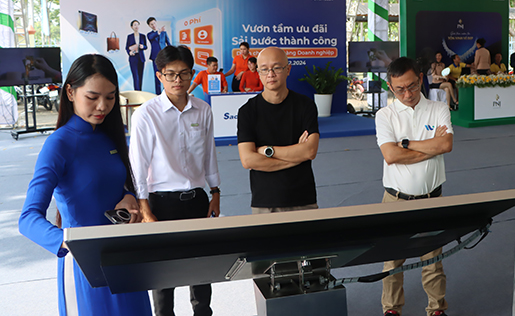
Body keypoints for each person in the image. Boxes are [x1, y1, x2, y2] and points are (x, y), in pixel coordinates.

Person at [18, 54, 152, 316]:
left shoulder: (108, 136)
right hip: (85, 267)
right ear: (70, 92)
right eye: (92, 97)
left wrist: (128, 197)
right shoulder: (59, 144)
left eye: (110, 97)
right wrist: (70, 243)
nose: (102, 106)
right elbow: (28, 218)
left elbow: (117, 184)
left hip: (125, 258)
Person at [129, 45, 220, 316]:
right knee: (163, 276)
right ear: (160, 76)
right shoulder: (146, 114)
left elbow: (209, 153)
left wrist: (215, 191)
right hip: (161, 204)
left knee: (201, 271)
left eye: (184, 73)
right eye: (170, 74)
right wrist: (144, 208)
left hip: (197, 200)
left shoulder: (203, 110)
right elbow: (138, 164)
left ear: (192, 73)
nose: (178, 80)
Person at [375, 57, 454, 316]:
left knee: (433, 260)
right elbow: (391, 155)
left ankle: (436, 308)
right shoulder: (385, 115)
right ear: (390, 87)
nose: (407, 94)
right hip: (395, 199)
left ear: (420, 78)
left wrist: (406, 144)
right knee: (392, 260)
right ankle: (392, 309)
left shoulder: (438, 108)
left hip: (432, 198)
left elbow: (445, 145)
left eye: (412, 86)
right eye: (400, 89)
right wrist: (430, 146)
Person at [237, 47, 320, 213]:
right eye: (264, 69)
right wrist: (296, 158)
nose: (270, 74)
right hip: (265, 201)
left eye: (276, 68)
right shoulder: (247, 111)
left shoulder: (305, 105)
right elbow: (248, 160)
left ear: (288, 69)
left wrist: (266, 151)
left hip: (303, 198)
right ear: (258, 72)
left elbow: (310, 151)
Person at [147, 17, 171, 95]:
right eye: (151, 24)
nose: (153, 25)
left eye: (154, 23)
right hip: (155, 57)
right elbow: (151, 37)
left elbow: (168, 43)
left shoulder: (164, 32)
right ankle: (158, 94)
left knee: (166, 74)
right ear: (149, 26)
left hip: (164, 56)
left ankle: (167, 92)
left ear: (156, 22)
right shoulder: (150, 34)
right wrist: (159, 31)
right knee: (157, 75)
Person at [126, 19, 148, 91]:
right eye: (135, 25)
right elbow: (127, 47)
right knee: (135, 77)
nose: (136, 26)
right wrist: (129, 52)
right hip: (133, 58)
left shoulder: (143, 36)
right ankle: (137, 92)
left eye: (137, 24)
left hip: (141, 58)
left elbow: (146, 46)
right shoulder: (129, 36)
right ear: (132, 27)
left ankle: (140, 92)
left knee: (140, 76)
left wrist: (143, 46)